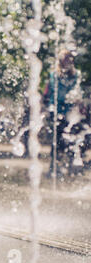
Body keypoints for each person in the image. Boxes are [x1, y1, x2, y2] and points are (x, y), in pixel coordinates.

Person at [43, 49, 78, 177]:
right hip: (55, 110)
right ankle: (53, 166)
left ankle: (67, 165)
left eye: (70, 59)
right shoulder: (54, 75)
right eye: (65, 59)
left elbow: (76, 91)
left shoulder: (76, 75)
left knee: (69, 138)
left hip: (70, 111)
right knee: (56, 139)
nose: (68, 61)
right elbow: (49, 91)